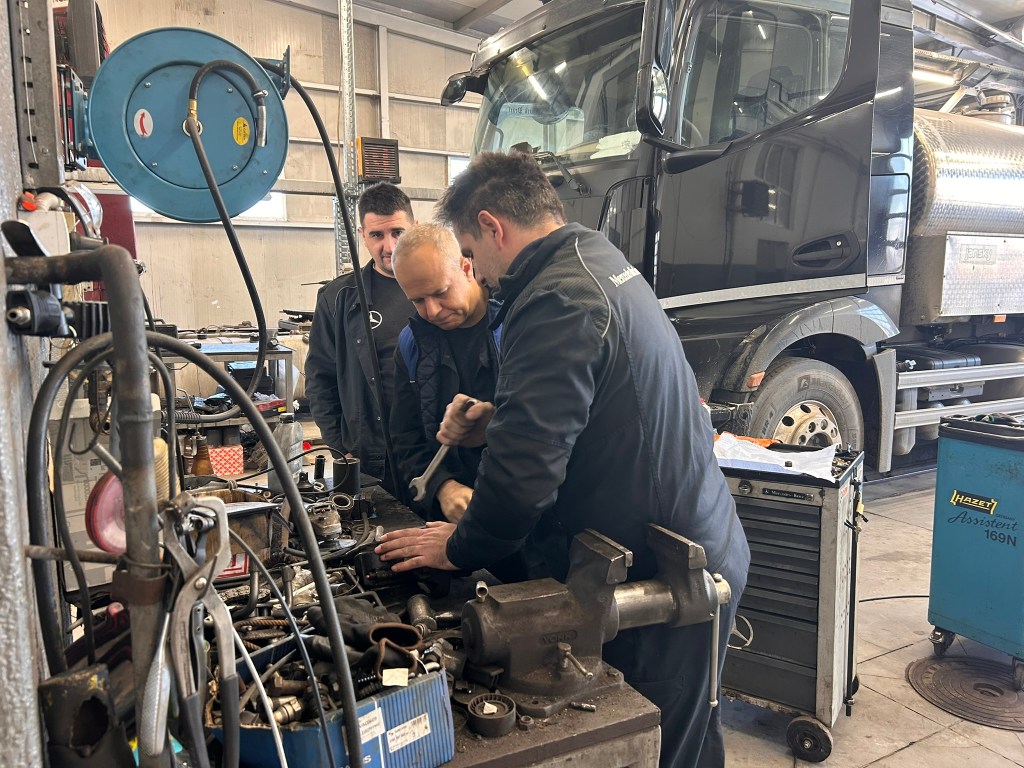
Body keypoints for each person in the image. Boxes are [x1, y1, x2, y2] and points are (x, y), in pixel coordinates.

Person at [375, 151, 750, 768]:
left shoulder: (557, 297)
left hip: (668, 575)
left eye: (470, 251)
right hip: (688, 544)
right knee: (689, 731)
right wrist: (496, 426)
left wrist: (460, 546)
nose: (478, 271)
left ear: (492, 227)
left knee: (659, 742)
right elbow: (594, 409)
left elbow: (523, 478)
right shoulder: (596, 260)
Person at [305, 183, 416, 491]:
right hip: (369, 455)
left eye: (398, 232)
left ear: (415, 228)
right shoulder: (338, 298)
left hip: (432, 451)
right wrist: (341, 448)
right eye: (377, 235)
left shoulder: (439, 288)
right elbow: (320, 380)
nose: (389, 247)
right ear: (362, 235)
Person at [389, 224, 499, 524]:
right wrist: (442, 487)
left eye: (440, 293)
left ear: (466, 267)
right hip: (445, 518)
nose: (433, 311)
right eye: (418, 301)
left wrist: (495, 421)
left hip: (519, 514)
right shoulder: (412, 344)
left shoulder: (515, 327)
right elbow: (405, 437)